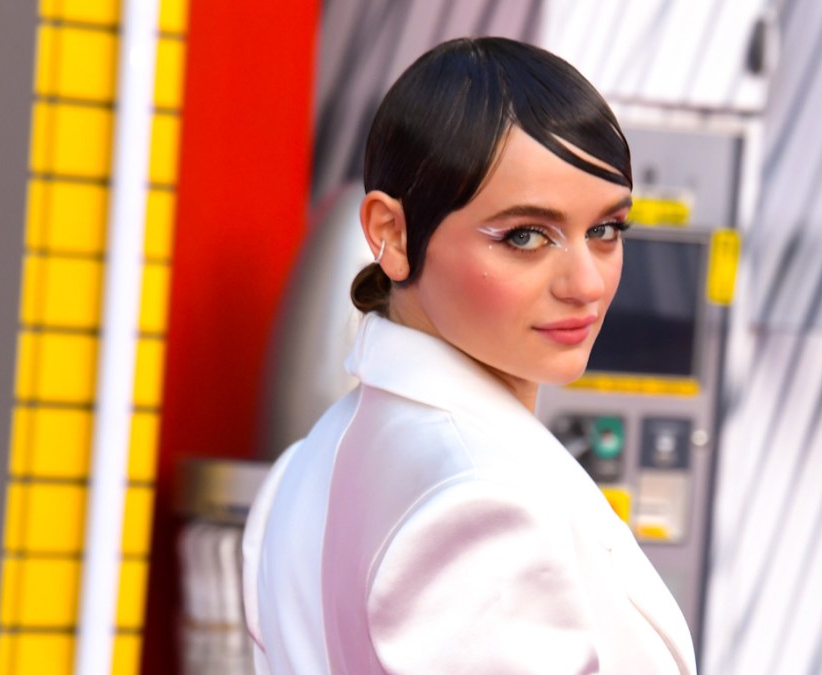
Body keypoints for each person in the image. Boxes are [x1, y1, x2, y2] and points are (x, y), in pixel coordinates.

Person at [241, 37, 696, 674]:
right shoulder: (479, 505)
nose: (586, 283)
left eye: (605, 230)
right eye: (527, 235)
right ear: (391, 235)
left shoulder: (308, 464)